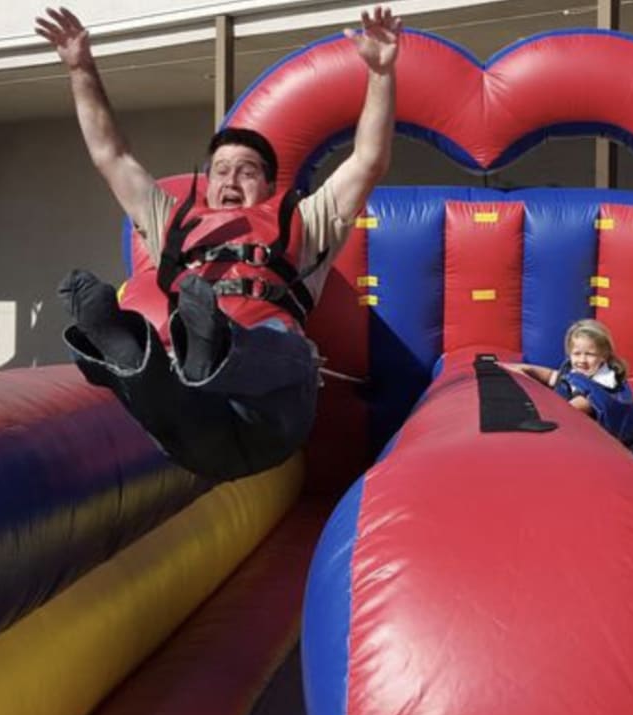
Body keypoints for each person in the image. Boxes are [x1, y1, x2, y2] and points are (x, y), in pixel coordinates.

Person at [34, 5, 401, 480]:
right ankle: (129, 350)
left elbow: (368, 160)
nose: (231, 180)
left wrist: (380, 73)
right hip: (193, 422)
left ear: (269, 186)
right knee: (167, 384)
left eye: (247, 171)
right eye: (221, 170)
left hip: (272, 412)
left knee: (285, 351)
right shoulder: (170, 222)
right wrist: (81, 68)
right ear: (206, 184)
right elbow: (112, 155)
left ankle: (203, 344)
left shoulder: (307, 220)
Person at [504, 319, 633, 465]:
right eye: (577, 353)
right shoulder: (578, 370)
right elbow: (553, 376)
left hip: (626, 456)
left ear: (604, 356)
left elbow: (564, 411)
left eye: (590, 354)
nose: (582, 360)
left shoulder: (603, 385)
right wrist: (524, 369)